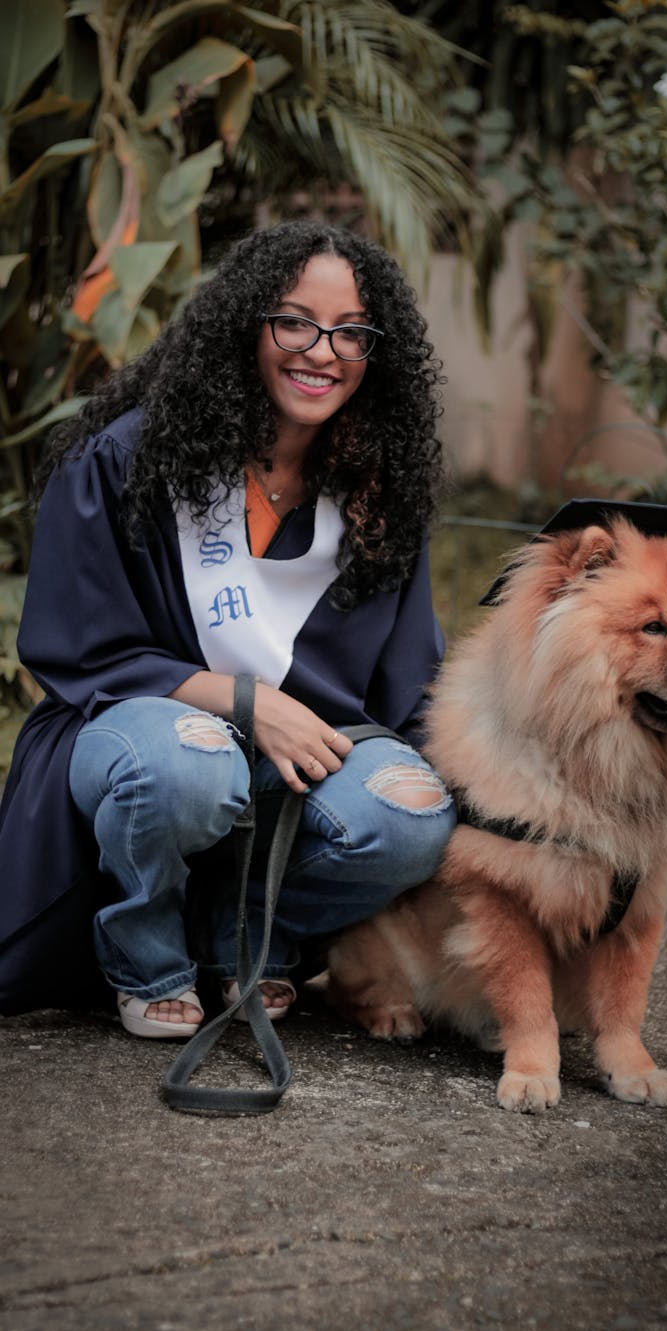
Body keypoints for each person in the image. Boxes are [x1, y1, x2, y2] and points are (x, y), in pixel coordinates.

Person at [0, 219, 457, 1037]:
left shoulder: (376, 496)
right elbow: (79, 646)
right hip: (142, 735)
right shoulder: (129, 462)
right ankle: (147, 957)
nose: (322, 351)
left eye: (350, 332)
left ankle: (247, 936)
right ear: (246, 324)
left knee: (411, 811)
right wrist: (248, 701)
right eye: (295, 322)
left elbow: (411, 683)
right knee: (193, 764)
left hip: (305, 766)